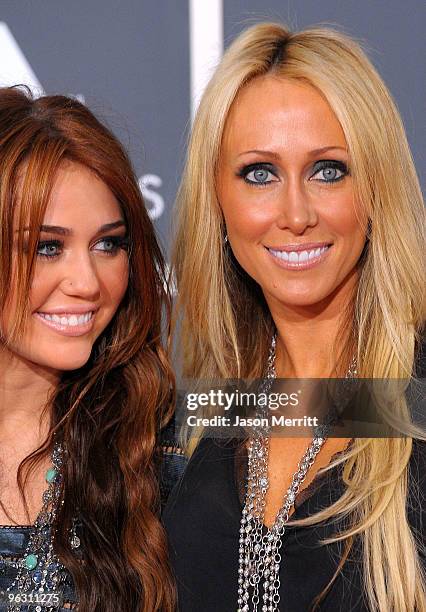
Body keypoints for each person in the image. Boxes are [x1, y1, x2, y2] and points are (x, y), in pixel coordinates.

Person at [163, 22, 426, 611]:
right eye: (260, 173)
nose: (295, 212)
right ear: (219, 200)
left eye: (328, 170)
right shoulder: (211, 412)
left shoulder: (417, 396)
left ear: (376, 187)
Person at [0, 87, 176, 611]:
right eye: (46, 247)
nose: (87, 282)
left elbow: (383, 409)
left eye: (109, 244)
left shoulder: (163, 439)